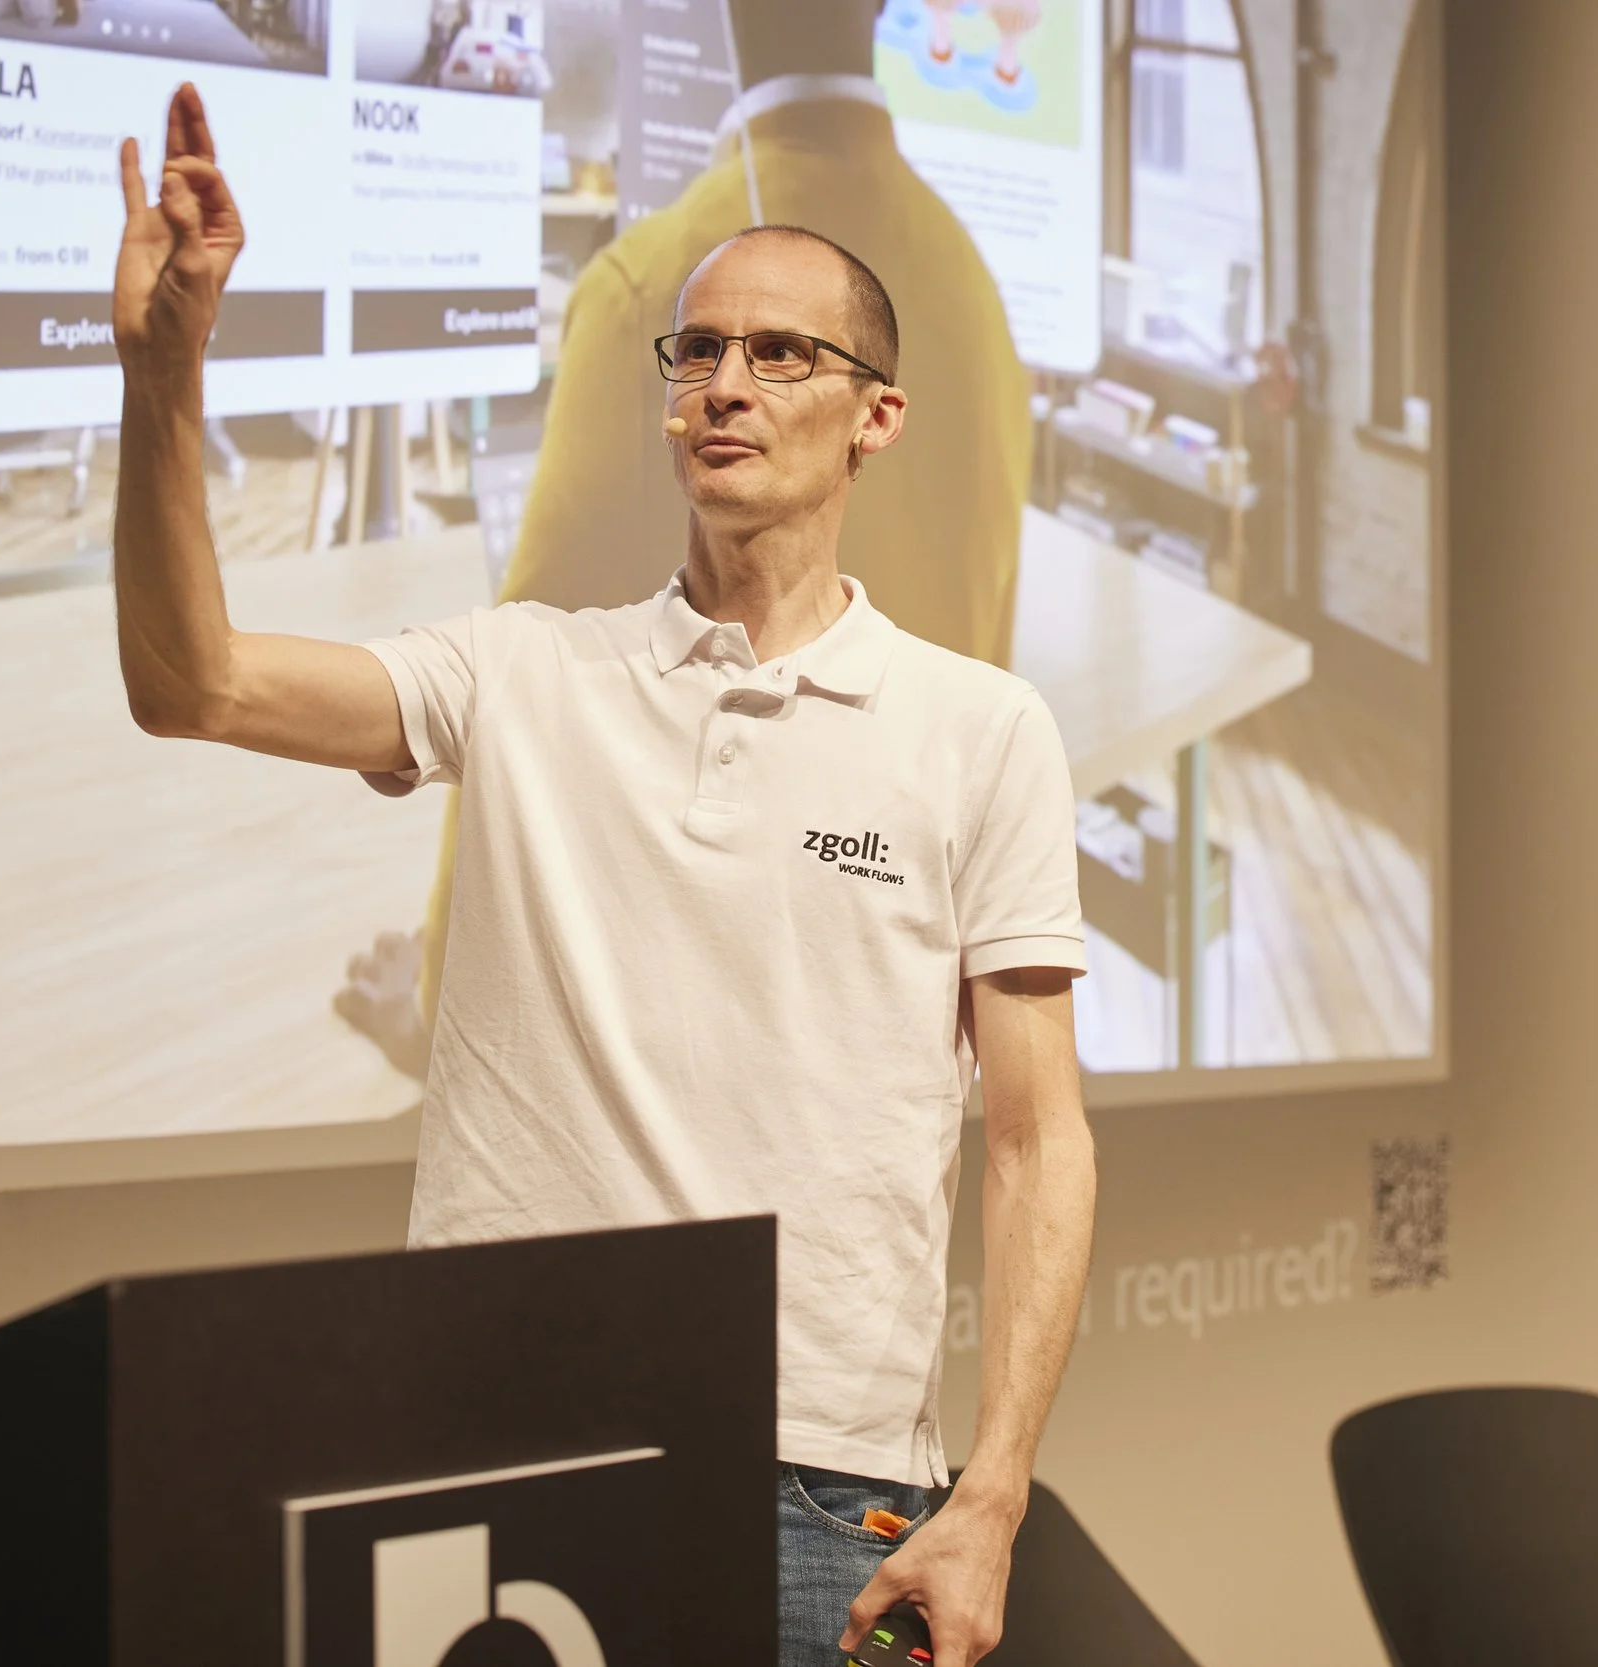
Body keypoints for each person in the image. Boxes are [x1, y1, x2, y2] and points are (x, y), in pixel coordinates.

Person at [111, 84, 1093, 1667]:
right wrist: (164, 375)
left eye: (783, 354)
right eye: (697, 351)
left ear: (878, 415)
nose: (727, 383)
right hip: (497, 1442)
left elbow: (1039, 1140)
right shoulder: (519, 673)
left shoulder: (980, 730)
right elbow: (194, 682)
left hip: (825, 1487)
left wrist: (994, 1493)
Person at [336, 0, 1033, 1069]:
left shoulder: (651, 293)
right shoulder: (975, 288)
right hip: (895, 999)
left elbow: (519, 697)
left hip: (697, 1020)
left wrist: (437, 1003)